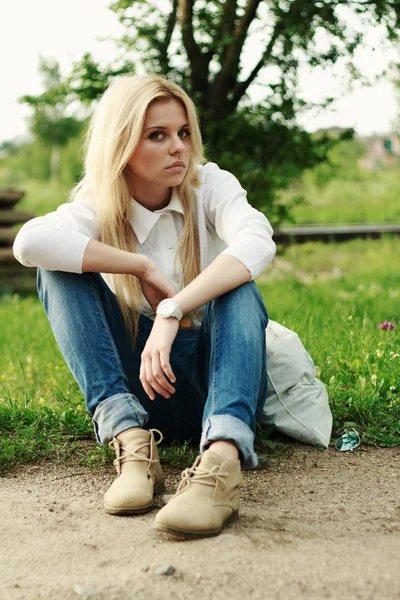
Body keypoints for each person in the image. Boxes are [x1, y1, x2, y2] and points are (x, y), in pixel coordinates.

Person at [13, 73, 276, 539]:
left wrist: (174, 308)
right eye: (158, 135)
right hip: (142, 391)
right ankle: (133, 446)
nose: (179, 147)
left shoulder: (210, 184)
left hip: (209, 383)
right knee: (57, 268)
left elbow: (257, 242)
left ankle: (221, 462)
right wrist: (141, 267)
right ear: (123, 145)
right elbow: (31, 242)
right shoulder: (97, 203)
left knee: (237, 284)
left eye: (183, 132)